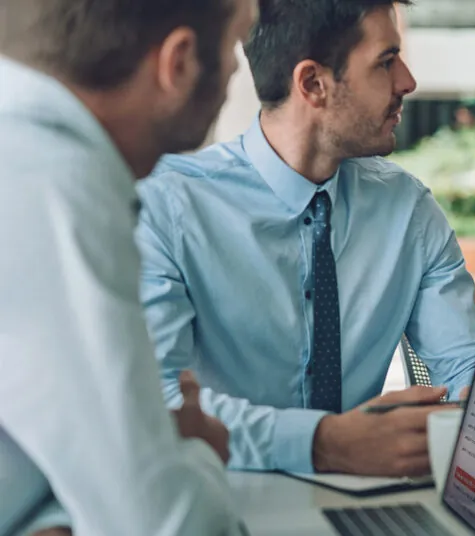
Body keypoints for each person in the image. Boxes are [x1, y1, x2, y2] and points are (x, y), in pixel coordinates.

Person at [135, 0, 475, 478]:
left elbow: (461, 369)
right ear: (313, 84)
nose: (408, 82)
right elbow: (157, 401)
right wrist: (320, 444)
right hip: (230, 501)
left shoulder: (407, 208)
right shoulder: (169, 208)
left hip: (372, 497)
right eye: (386, 62)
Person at [0, 0, 255, 534]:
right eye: (235, 45)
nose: (237, 69)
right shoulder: (56, 187)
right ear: (178, 63)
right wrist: (196, 456)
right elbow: (162, 524)